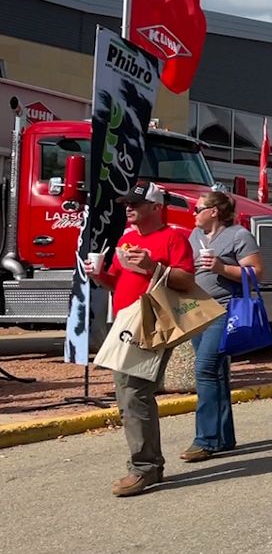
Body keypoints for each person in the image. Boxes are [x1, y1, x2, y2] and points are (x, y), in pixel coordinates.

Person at [83, 182, 196, 497]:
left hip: (152, 323)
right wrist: (100, 275)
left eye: (135, 203)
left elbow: (187, 280)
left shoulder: (173, 238)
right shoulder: (128, 239)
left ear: (155, 207)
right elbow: (117, 281)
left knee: (134, 394)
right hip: (125, 323)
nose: (128, 207)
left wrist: (153, 267)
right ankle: (150, 466)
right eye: (126, 203)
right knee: (127, 395)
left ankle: (145, 468)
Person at [184, 191, 262, 464]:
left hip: (224, 309)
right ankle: (223, 437)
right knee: (216, 373)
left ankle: (205, 440)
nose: (193, 213)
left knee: (205, 368)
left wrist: (221, 268)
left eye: (197, 209)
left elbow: (255, 273)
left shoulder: (239, 236)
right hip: (197, 310)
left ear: (214, 211)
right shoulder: (195, 237)